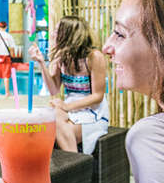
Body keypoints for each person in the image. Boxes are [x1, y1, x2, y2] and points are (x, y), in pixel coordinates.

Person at [0, 0, 164, 183]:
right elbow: (54, 90)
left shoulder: (154, 136)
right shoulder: (64, 60)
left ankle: (76, 173)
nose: (107, 46)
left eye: (120, 33)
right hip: (72, 114)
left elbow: (97, 96)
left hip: (90, 115)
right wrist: (43, 65)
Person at [28, 16, 109, 154]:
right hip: (70, 111)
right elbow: (53, 89)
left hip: (93, 113)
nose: (53, 33)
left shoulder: (94, 57)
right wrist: (41, 62)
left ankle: (75, 166)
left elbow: (98, 96)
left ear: (70, 34)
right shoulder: (62, 58)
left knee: (55, 127)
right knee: (48, 116)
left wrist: (66, 106)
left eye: (57, 30)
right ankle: (73, 164)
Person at [0, 21, 16, 97]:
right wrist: (12, 57)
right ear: (6, 27)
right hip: (6, 57)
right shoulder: (9, 36)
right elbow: (12, 48)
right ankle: (7, 93)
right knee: (6, 76)